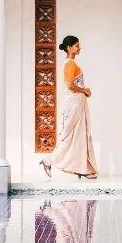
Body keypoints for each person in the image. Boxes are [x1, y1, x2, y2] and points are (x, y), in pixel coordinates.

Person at [41, 35, 97, 179]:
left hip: (77, 102)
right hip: (74, 103)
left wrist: (84, 91)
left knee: (79, 134)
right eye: (77, 46)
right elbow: (70, 85)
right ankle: (49, 160)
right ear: (69, 48)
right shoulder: (70, 64)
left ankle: (83, 168)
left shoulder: (71, 63)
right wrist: (84, 90)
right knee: (69, 135)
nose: (79, 48)